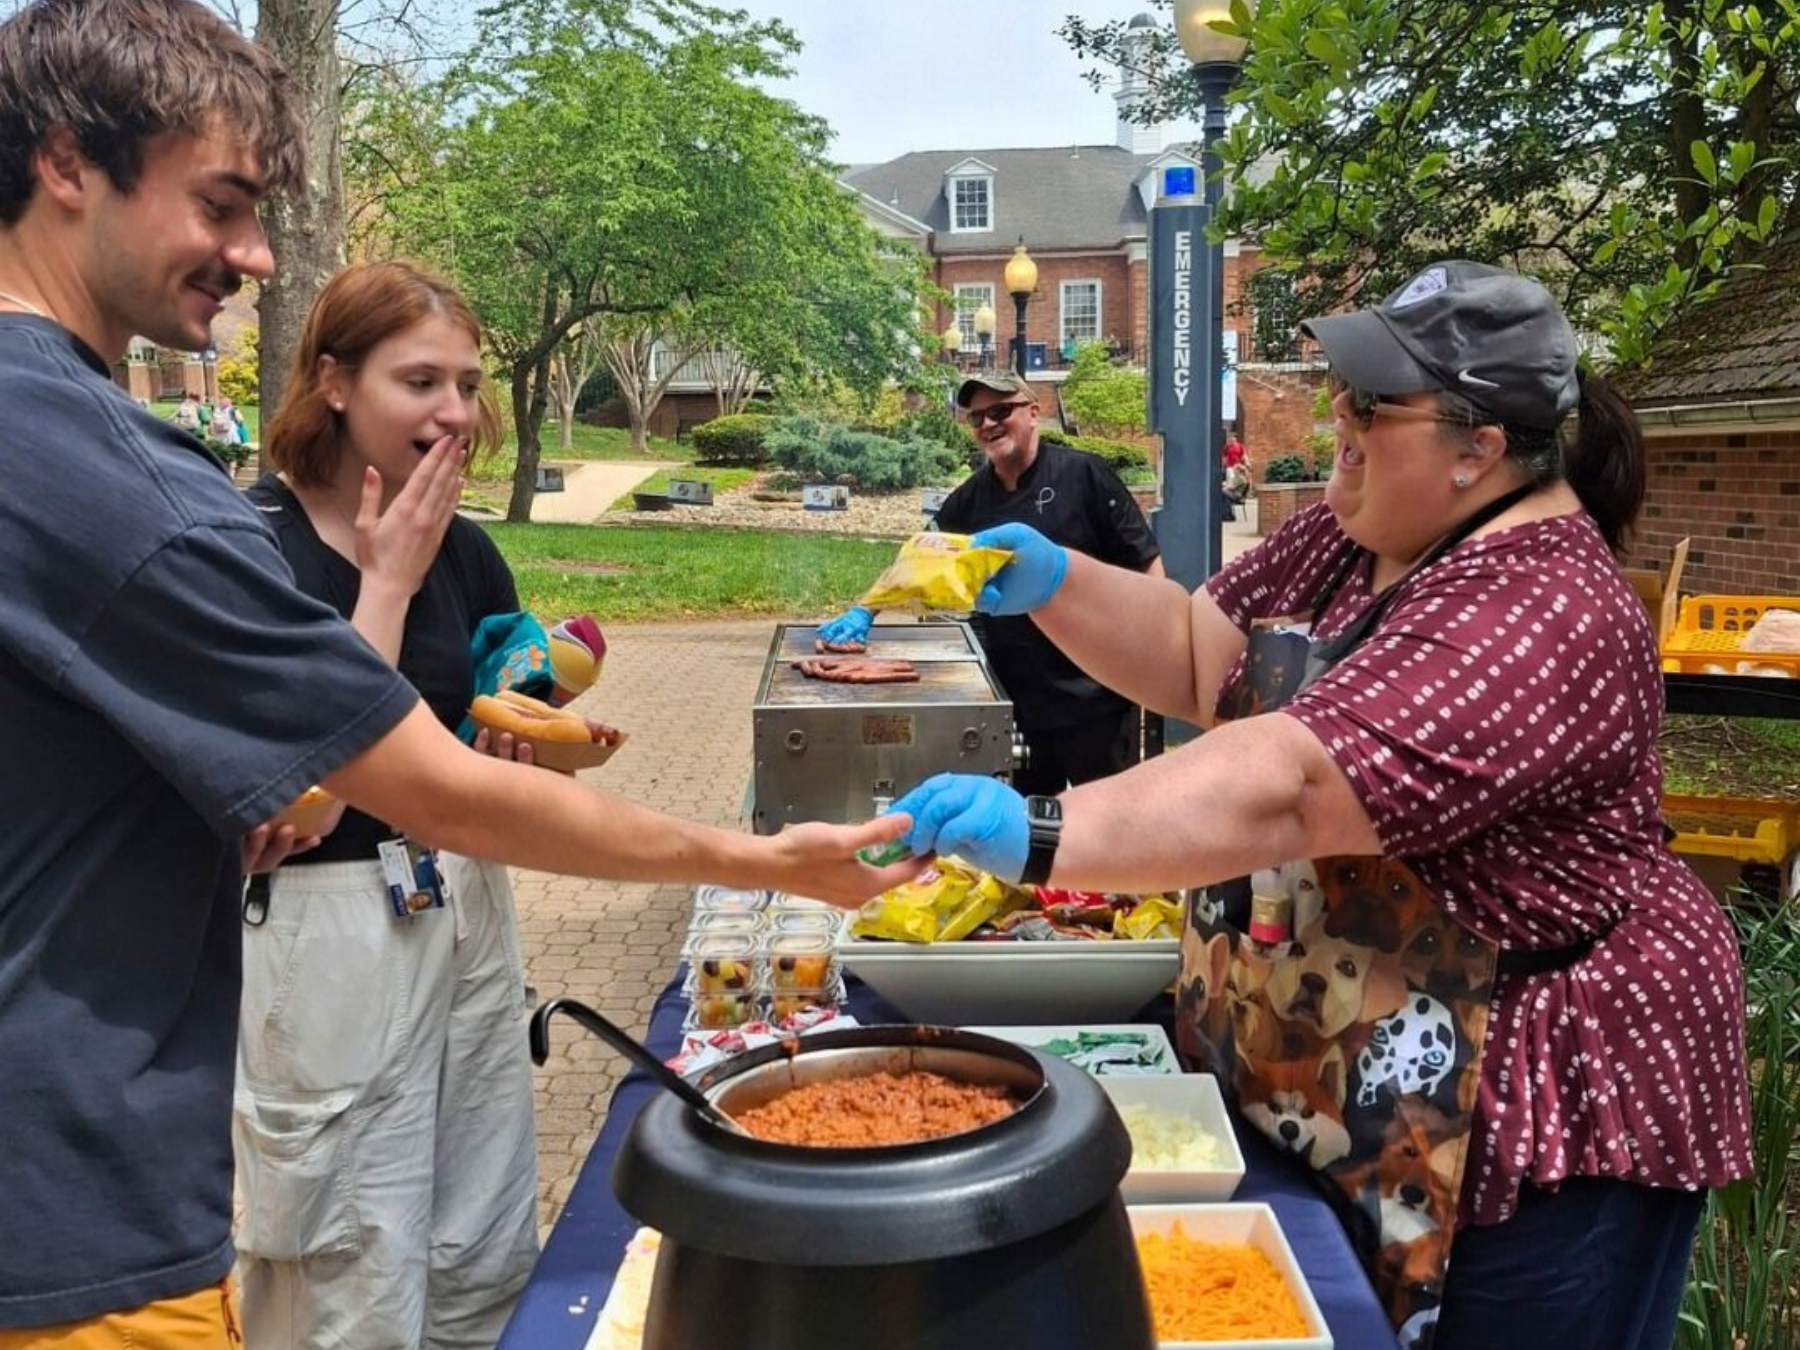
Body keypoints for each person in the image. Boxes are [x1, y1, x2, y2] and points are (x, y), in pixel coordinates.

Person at [0, 2, 918, 1344]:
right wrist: (770, 860)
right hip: (85, 1215)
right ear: (68, 163)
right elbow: (431, 789)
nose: (253, 255)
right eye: (222, 203)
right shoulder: (128, 486)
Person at [885, 262, 1753, 1349]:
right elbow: (1202, 654)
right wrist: (1058, 580)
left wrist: (1046, 831)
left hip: (1521, 1096)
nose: (1337, 414)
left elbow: (1296, 790)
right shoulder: (1363, 527)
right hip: (1343, 1052)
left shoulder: (1544, 608)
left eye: (1374, 403)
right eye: (1345, 384)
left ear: (1479, 446)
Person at [233, 260, 543, 1349]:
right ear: (333, 381)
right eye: (421, 381)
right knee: (344, 1258)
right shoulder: (249, 546)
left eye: (466, 383)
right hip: (325, 933)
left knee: (480, 1233)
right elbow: (301, 795)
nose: (455, 412)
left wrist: (517, 724)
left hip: (458, 895)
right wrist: (386, 584)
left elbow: (501, 686)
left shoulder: (462, 543)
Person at [816, 369, 1164, 795]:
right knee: (1032, 835)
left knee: (1114, 828)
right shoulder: (970, 498)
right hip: (1020, 701)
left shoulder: (1084, 475)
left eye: (1000, 410)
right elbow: (918, 557)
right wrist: (865, 609)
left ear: (1033, 412)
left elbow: (1147, 565)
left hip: (1098, 696)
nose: (987, 424)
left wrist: (1151, 649)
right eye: (976, 417)